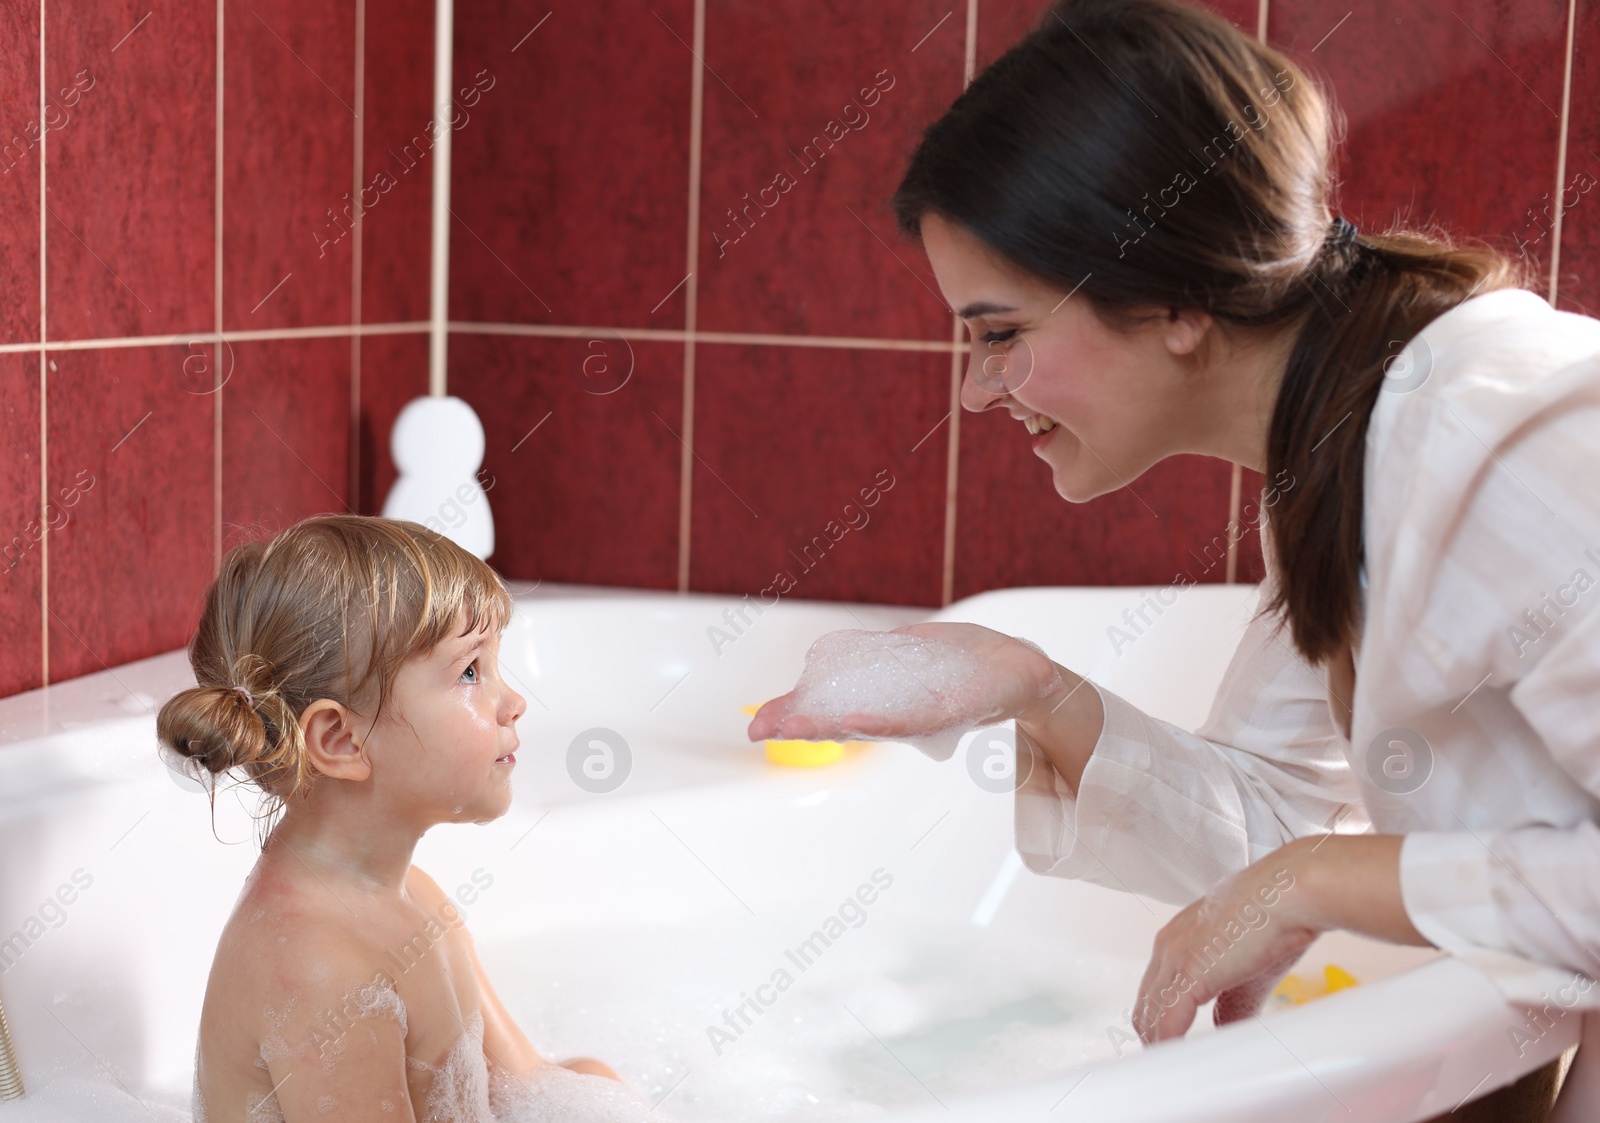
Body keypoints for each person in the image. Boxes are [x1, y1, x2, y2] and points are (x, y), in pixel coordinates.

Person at [749, 1, 1600, 1118]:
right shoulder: (1347, 443)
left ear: (1174, 304)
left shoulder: (1500, 443)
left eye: (1001, 334)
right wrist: (1033, 690)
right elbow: (1275, 819)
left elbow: (1302, 861)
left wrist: (1319, 882)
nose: (974, 390)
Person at [157, 515, 641, 1123]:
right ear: (340, 740)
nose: (513, 702)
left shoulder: (415, 899)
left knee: (596, 1081)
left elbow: (528, 1084)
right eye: (470, 672)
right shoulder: (319, 970)